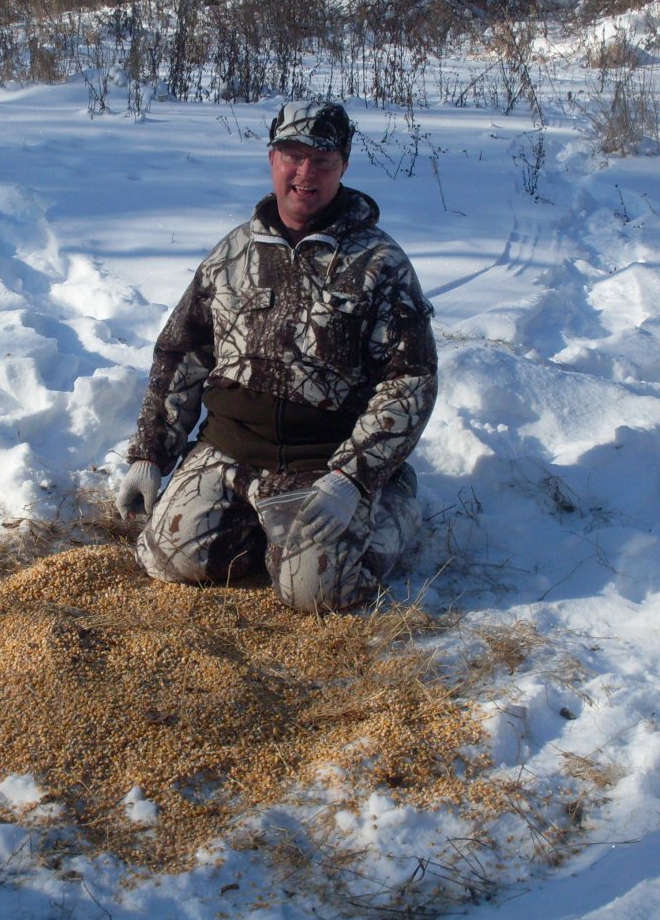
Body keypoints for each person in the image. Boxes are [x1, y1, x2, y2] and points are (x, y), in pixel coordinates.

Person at [116, 101, 438, 612]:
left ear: (344, 167)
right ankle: (262, 523)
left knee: (316, 595)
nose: (305, 173)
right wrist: (150, 453)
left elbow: (410, 381)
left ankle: (392, 500)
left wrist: (353, 477)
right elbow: (183, 349)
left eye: (323, 161)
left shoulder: (381, 263)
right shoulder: (233, 252)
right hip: (229, 449)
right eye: (293, 155)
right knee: (169, 560)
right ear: (272, 158)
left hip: (322, 460)